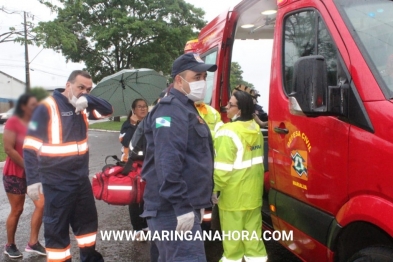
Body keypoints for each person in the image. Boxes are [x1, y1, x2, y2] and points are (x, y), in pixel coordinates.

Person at [23, 70, 113, 262]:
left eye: (88, 89)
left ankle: (90, 258)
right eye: (80, 87)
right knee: (56, 230)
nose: (83, 92)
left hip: (80, 180)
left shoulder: (83, 105)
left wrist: (89, 100)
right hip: (56, 183)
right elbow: (30, 146)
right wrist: (32, 180)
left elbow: (108, 110)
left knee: (88, 226)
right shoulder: (45, 106)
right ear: (68, 85)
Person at [141, 52, 217, 261]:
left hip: (181, 205)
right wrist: (183, 207)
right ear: (178, 80)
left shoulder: (185, 107)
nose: (202, 82)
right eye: (196, 77)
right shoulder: (171, 111)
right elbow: (168, 162)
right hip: (172, 210)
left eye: (204, 78)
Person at [213, 90, 268, 262]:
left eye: (230, 104)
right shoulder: (256, 129)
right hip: (252, 196)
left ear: (240, 109)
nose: (226, 107)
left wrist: (214, 190)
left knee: (232, 247)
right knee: (254, 242)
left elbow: (222, 169)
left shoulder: (227, 132)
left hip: (232, 198)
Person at [2, 94, 46, 259]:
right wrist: (29, 166)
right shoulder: (13, 122)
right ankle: (10, 245)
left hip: (33, 174)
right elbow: (9, 149)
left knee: (41, 205)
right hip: (15, 173)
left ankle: (33, 243)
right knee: (17, 209)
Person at [119, 98, 149, 240]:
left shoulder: (150, 122)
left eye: (145, 106)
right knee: (134, 198)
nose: (143, 109)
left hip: (146, 165)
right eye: (139, 107)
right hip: (131, 166)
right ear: (133, 110)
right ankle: (137, 229)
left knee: (145, 196)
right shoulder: (127, 125)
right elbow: (125, 141)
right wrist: (133, 124)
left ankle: (146, 225)